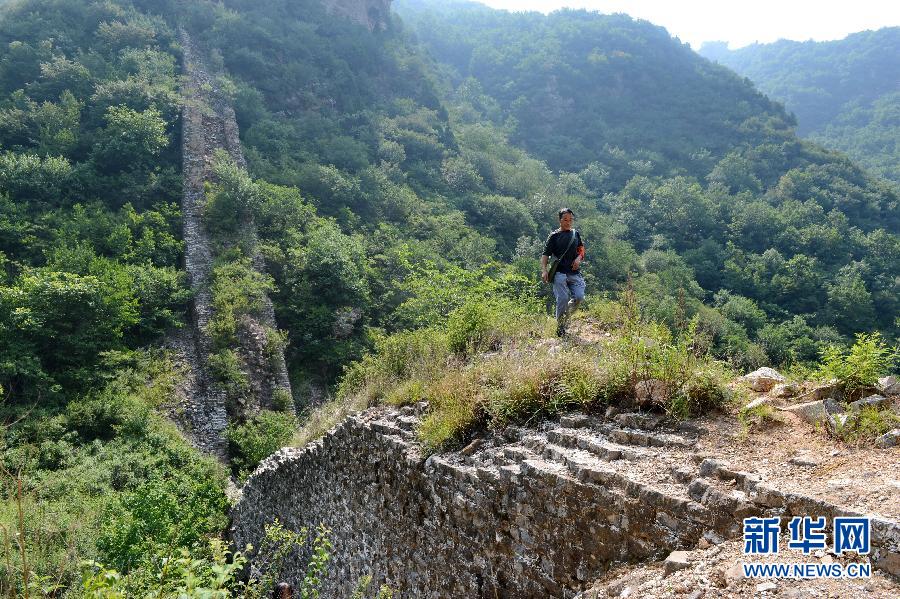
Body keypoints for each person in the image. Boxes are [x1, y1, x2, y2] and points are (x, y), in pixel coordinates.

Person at [541, 208, 585, 337]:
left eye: (570, 220)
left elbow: (581, 250)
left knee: (579, 297)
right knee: (563, 299)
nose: (568, 222)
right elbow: (545, 255)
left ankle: (564, 318)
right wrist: (544, 270)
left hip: (574, 272)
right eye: (565, 220)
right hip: (559, 273)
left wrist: (578, 259)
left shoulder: (575, 234)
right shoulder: (554, 236)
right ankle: (560, 328)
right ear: (559, 220)